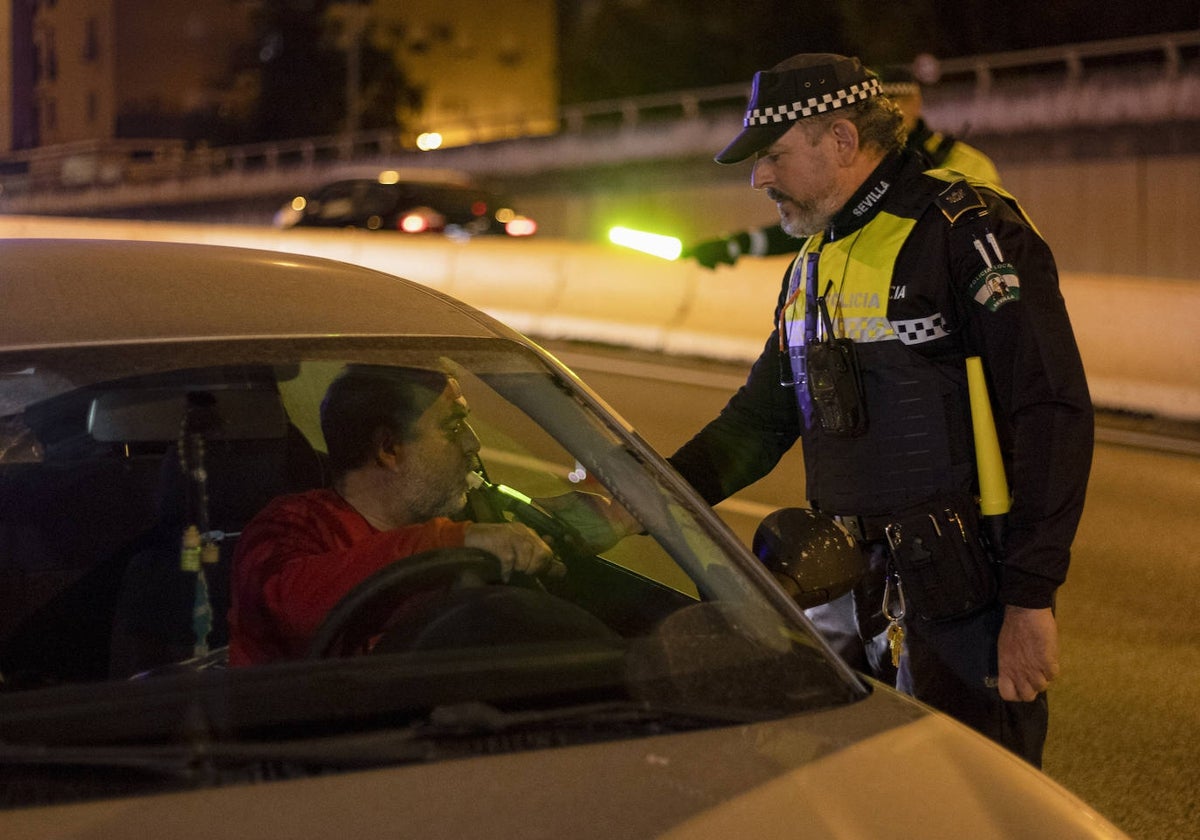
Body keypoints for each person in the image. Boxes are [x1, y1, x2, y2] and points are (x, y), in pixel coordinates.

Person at [666, 53, 1093, 767]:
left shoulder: (966, 229)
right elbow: (761, 420)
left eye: (773, 155)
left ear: (840, 139)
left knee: (973, 807)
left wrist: (1030, 599)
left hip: (964, 606)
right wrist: (644, 497)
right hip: (838, 595)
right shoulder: (812, 257)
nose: (758, 178)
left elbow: (1048, 412)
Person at [227, 365, 564, 666]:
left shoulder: (458, 517)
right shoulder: (288, 526)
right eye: (453, 427)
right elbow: (291, 607)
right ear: (388, 448)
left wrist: (571, 527)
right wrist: (448, 541)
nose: (473, 444)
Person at [681, 63, 1002, 269]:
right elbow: (812, 224)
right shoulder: (813, 265)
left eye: (892, 102)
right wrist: (736, 244)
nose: (882, 112)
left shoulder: (963, 170)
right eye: (872, 105)